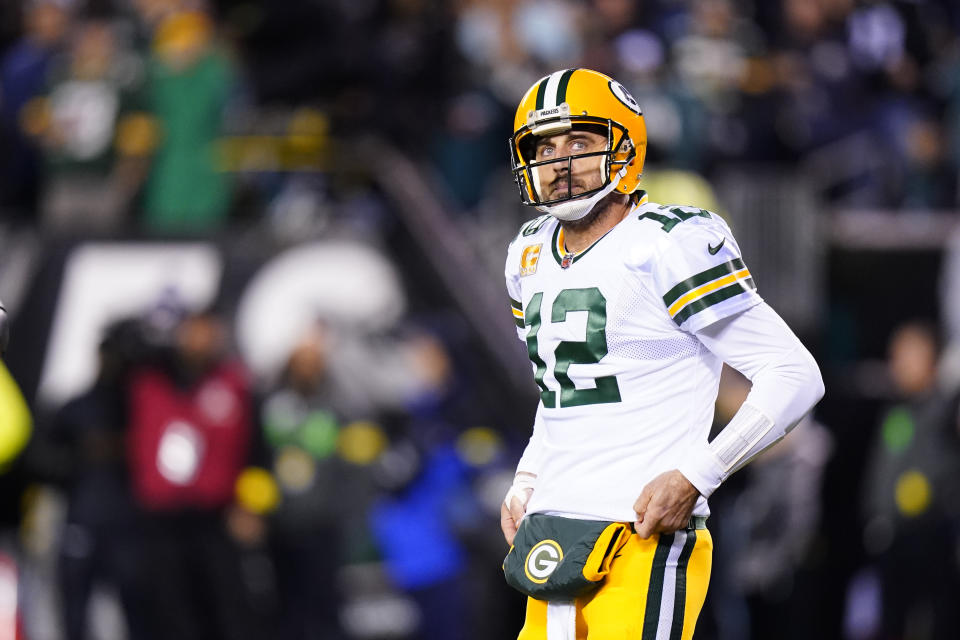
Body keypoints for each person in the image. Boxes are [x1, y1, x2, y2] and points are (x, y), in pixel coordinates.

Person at [499, 68, 824, 639]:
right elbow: (561, 392)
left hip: (641, 531)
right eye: (544, 147)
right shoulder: (527, 253)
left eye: (579, 142)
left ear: (625, 145)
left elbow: (794, 374)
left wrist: (700, 474)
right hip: (551, 530)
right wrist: (529, 476)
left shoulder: (669, 241)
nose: (558, 162)